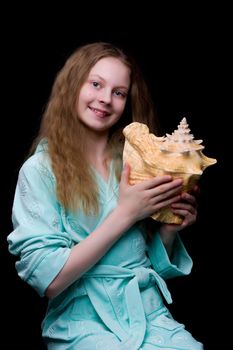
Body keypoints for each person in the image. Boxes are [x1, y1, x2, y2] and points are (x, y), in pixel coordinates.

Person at [7, 42, 203, 349]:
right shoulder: (40, 170)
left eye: (119, 92)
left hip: (148, 314)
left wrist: (167, 230)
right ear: (72, 86)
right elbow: (50, 281)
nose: (105, 99)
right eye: (96, 84)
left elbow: (144, 261)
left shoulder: (136, 162)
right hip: (82, 321)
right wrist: (126, 213)